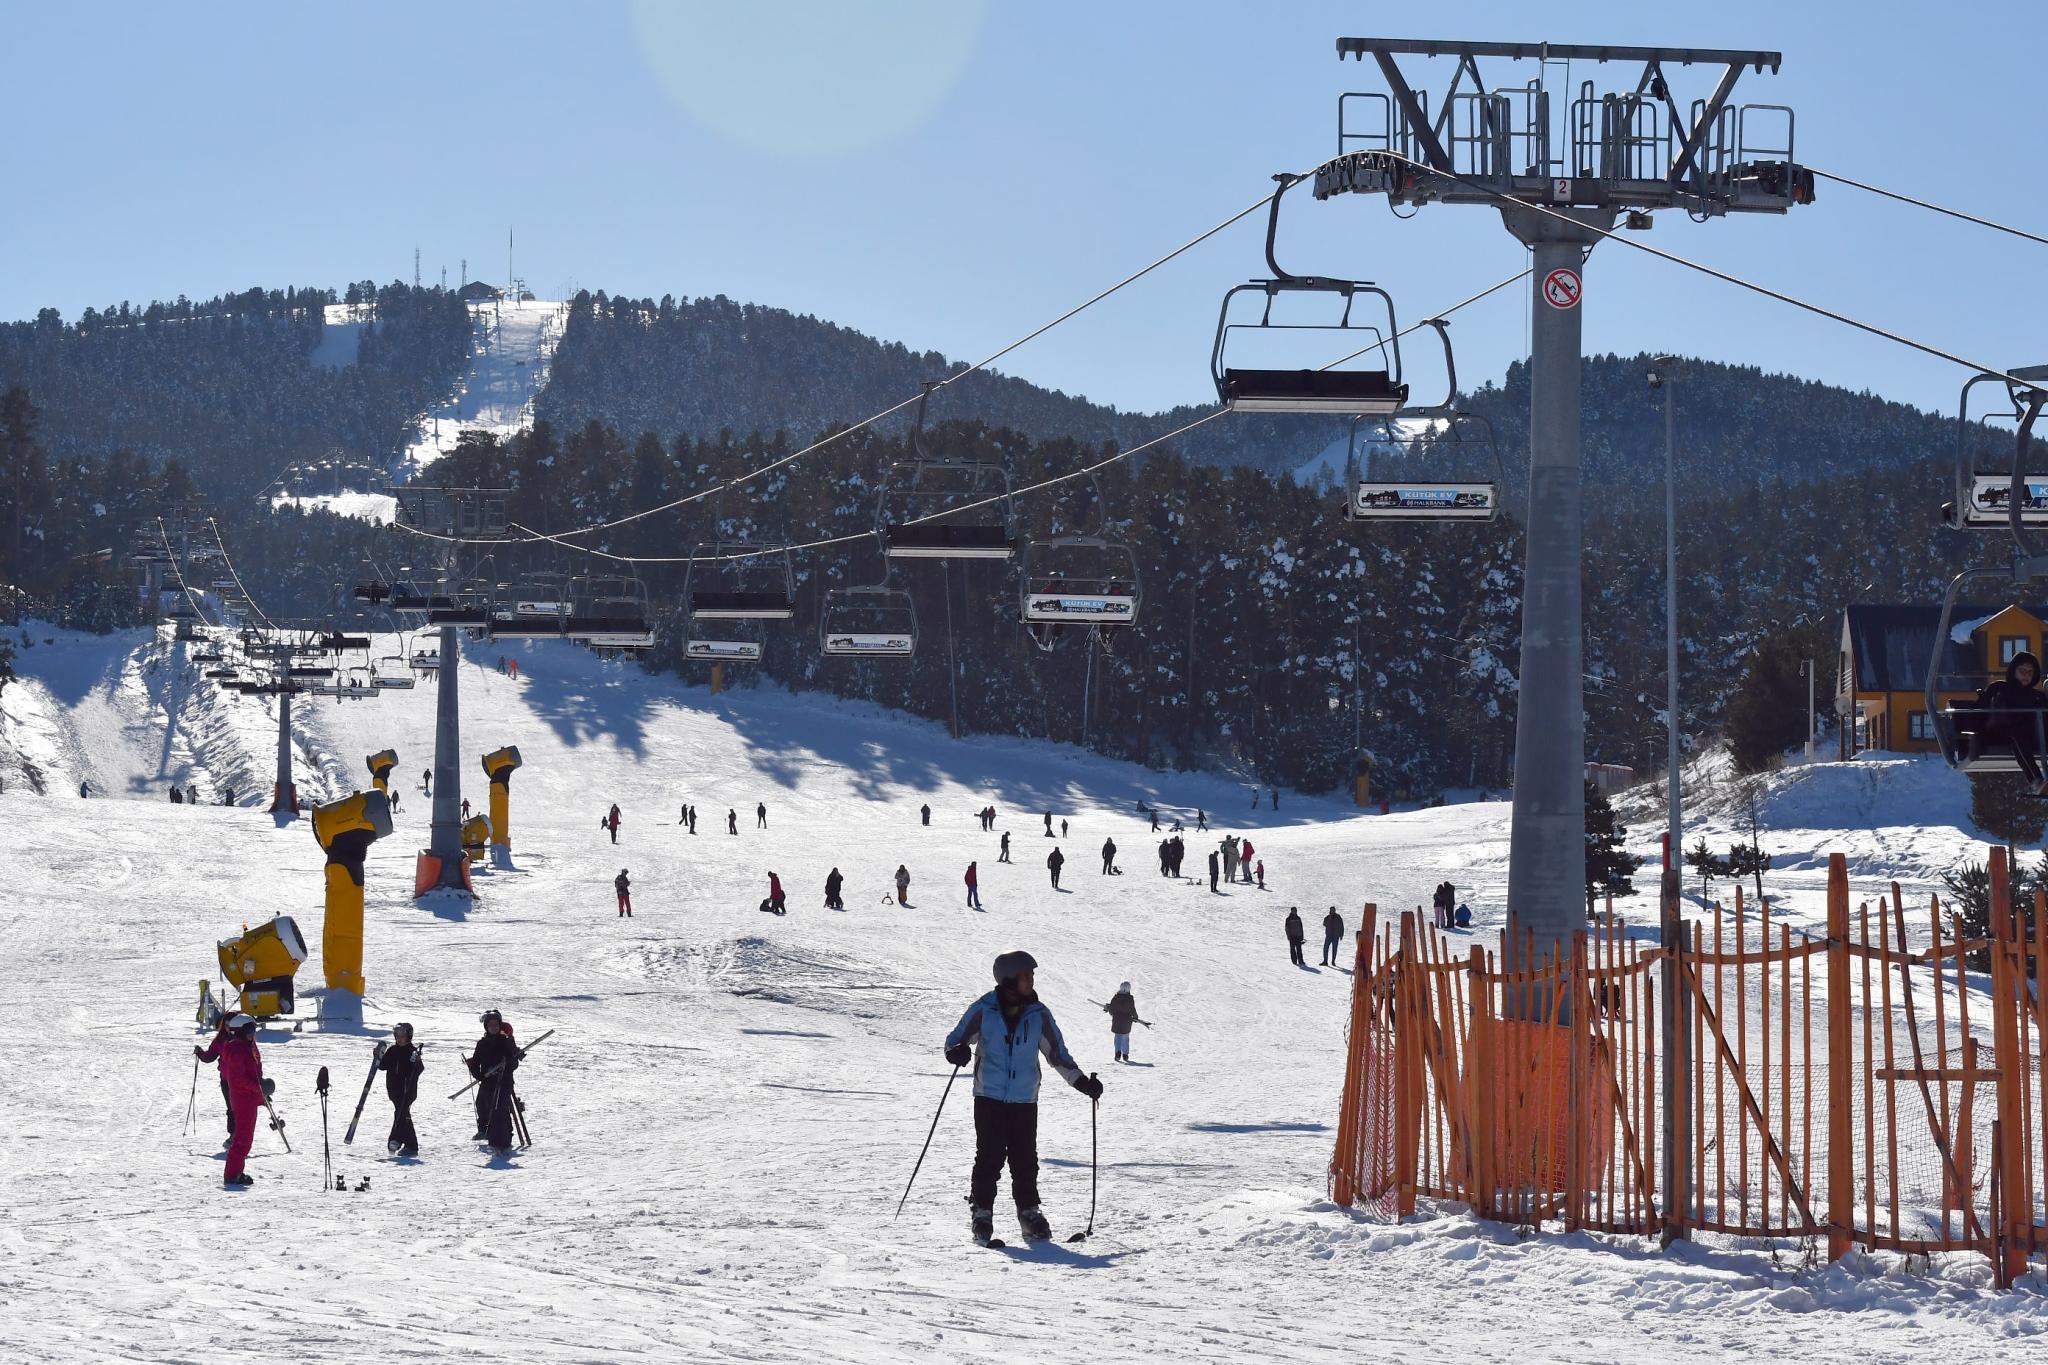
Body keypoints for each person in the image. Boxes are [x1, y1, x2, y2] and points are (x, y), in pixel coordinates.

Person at [943, 950, 1102, 1245]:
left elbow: (1057, 1054)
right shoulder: (984, 1009)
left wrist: (1080, 1082)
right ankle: (982, 1212)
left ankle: (1029, 1212)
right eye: (1026, 976)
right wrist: (956, 1052)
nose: (1031, 980)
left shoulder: (1038, 1014)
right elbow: (955, 1040)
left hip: (1025, 1099)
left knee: (1025, 1159)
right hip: (989, 1096)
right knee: (989, 1157)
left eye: (1031, 975)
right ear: (1008, 980)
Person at [1968, 650, 2048, 788]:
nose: (2026, 675)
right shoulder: (1999, 688)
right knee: (2016, 735)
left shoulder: (2037, 696)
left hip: (2028, 736)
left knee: (2019, 737)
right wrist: (1978, 734)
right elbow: (1980, 710)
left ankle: (2038, 782)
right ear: (2013, 670)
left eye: (2030, 672)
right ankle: (2036, 780)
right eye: (2023, 671)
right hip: (1999, 732)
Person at [206, 1014, 264, 1186]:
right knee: (242, 1140)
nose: (253, 1033)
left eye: (254, 1029)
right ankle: (232, 1174)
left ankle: (237, 1171)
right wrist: (258, 1088)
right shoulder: (236, 1050)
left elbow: (254, 1070)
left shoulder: (246, 1046)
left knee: (245, 1139)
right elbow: (239, 1079)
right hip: (243, 1098)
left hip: (249, 1098)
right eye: (250, 1029)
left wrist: (262, 1089)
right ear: (240, 1031)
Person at [467, 1010, 521, 1151]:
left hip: (503, 1082)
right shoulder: (482, 1043)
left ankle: (502, 1140)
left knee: (499, 1109)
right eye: (490, 1025)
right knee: (481, 1104)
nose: (493, 1027)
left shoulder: (506, 1041)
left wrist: (506, 1065)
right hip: (488, 1081)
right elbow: (476, 1061)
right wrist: (477, 1073)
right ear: (486, 1026)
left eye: (496, 1024)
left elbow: (514, 1063)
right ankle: (485, 1131)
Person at [378, 1022, 423, 1155]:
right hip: (393, 1090)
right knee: (402, 1114)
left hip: (407, 1091)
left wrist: (416, 1061)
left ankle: (397, 1141)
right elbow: (382, 1066)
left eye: (402, 1035)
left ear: (408, 1036)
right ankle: (407, 1144)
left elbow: (419, 1069)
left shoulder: (411, 1051)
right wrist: (378, 1056)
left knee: (401, 1113)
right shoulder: (393, 1050)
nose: (399, 1038)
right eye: (397, 1035)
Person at [193, 1015, 238, 1145]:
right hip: (226, 1080)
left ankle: (241, 1133)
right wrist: (200, 1053)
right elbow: (210, 1056)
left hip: (241, 1079)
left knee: (240, 1108)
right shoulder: (220, 1040)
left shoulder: (242, 1038)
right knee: (231, 1108)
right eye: (227, 1025)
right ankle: (233, 1134)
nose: (229, 1028)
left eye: (232, 1025)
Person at [1102, 981, 1150, 1063]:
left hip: (1117, 1021)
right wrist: (1135, 1017)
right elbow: (1132, 1010)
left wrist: (1108, 1008)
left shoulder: (1115, 998)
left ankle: (1117, 1053)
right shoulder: (1130, 999)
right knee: (1125, 1038)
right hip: (1127, 1022)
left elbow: (1112, 1011)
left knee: (1117, 1037)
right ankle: (1125, 1055)